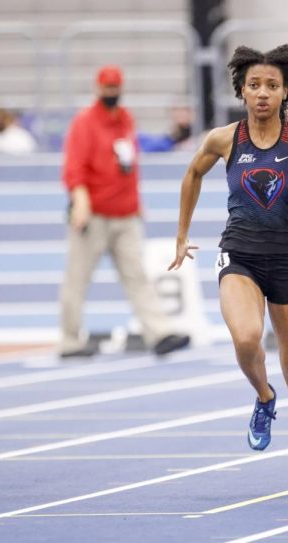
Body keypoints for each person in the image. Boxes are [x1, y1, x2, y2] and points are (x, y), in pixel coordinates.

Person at [169, 44, 288, 494]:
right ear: (241, 88)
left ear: (286, 93)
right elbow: (192, 175)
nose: (262, 93)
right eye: (255, 85)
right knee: (244, 339)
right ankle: (263, 395)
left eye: (272, 87)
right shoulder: (224, 139)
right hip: (238, 253)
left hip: (286, 259)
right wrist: (181, 235)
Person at [59, 65, 190, 358]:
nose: (111, 93)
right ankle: (69, 341)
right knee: (77, 279)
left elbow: (129, 160)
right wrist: (80, 202)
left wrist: (137, 203)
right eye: (107, 88)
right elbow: (74, 168)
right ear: (98, 88)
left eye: (115, 88)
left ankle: (160, 334)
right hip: (93, 215)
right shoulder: (84, 123)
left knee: (137, 276)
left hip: (126, 215)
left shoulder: (125, 119)